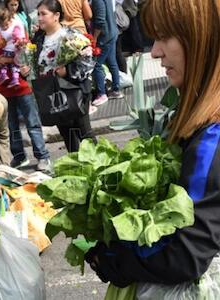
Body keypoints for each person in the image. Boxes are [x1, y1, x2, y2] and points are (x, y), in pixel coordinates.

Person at [85, 0, 220, 288]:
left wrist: (110, 257)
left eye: (165, 36)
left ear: (202, 36)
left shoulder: (212, 135)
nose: (155, 51)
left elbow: (183, 253)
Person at [0, 0, 51, 172]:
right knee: (10, 126)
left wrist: (7, 60)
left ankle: (43, 156)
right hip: (2, 87)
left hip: (22, 84)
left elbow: (26, 51)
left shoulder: (14, 25)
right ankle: (19, 157)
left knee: (32, 122)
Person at [31, 0, 96, 153]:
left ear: (56, 15)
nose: (39, 18)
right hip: (53, 94)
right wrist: (28, 70)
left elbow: (88, 61)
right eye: (38, 14)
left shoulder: (71, 36)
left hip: (75, 91)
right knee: (68, 136)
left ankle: (99, 165)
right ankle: (77, 169)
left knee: (84, 132)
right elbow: (36, 64)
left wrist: (68, 71)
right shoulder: (38, 40)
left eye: (43, 14)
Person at [90, 0, 124, 109]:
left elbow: (100, 21)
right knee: (111, 61)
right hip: (112, 32)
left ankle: (101, 94)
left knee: (96, 65)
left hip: (104, 36)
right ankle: (116, 89)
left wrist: (94, 38)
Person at [0, 6, 26, 88]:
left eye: (6, 24)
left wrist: (19, 41)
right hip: (8, 49)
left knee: (4, 63)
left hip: (13, 50)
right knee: (13, 66)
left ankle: (3, 74)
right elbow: (0, 39)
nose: (4, 27)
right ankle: (15, 80)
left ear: (10, 19)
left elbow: (19, 36)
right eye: (2, 26)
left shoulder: (15, 26)